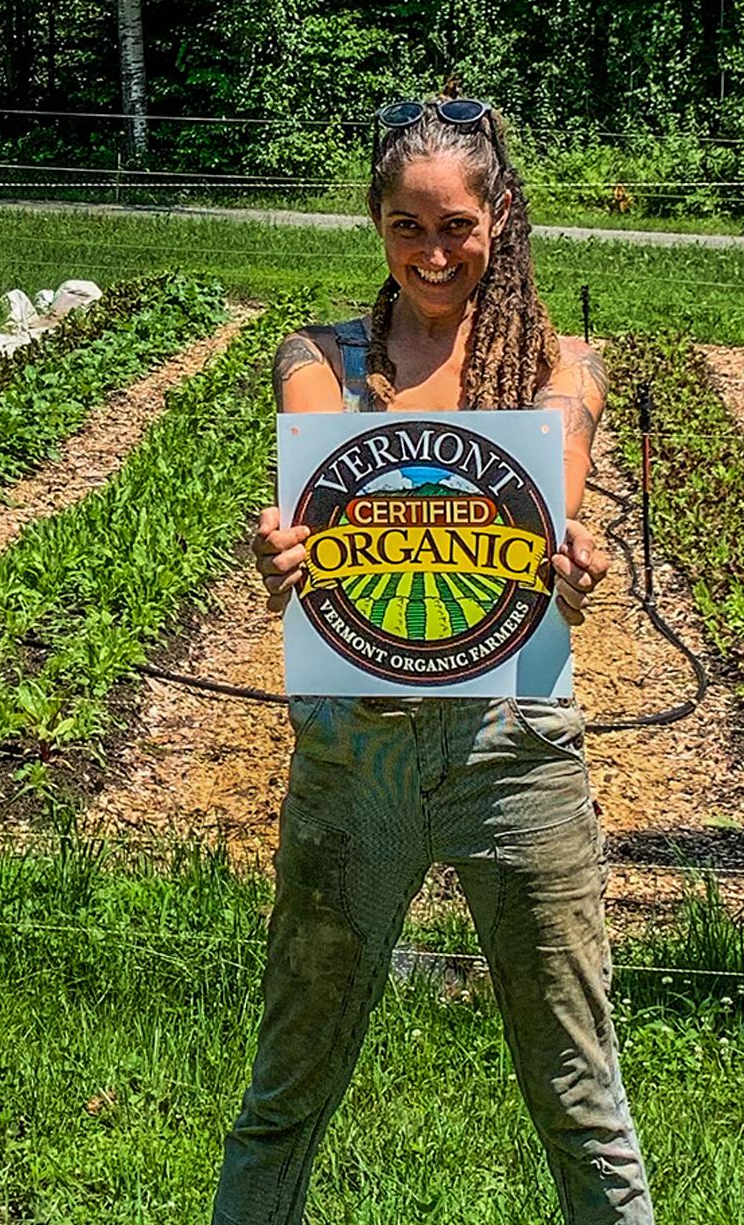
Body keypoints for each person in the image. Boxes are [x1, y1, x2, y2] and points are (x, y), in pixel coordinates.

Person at [212, 97, 649, 1225]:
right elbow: (320, 473)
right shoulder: (317, 360)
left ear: (501, 216)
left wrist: (574, 568)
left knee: (581, 1096)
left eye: (456, 223)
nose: (435, 251)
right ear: (374, 223)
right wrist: (286, 553)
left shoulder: (561, 368)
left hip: (517, 758)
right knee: (288, 1088)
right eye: (407, 226)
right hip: (353, 760)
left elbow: (552, 516)